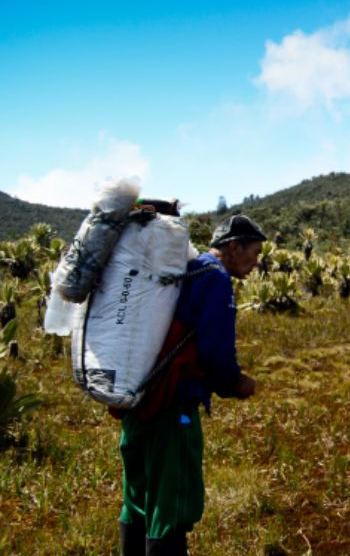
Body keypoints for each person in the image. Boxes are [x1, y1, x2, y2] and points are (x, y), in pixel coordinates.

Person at [118, 214, 265, 555]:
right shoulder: (214, 278)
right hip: (173, 406)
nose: (256, 263)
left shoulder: (187, 269)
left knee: (137, 498)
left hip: (138, 398)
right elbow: (216, 352)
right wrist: (236, 384)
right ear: (232, 246)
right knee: (172, 504)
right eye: (253, 252)